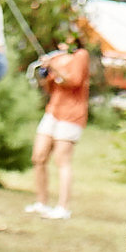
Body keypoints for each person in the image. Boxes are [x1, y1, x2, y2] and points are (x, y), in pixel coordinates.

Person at [27, 26, 93, 220]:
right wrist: (45, 71)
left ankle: (63, 207)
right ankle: (41, 202)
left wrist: (54, 67)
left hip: (72, 114)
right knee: (38, 156)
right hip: (53, 111)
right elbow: (49, 86)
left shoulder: (81, 55)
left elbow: (73, 81)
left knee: (62, 160)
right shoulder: (56, 57)